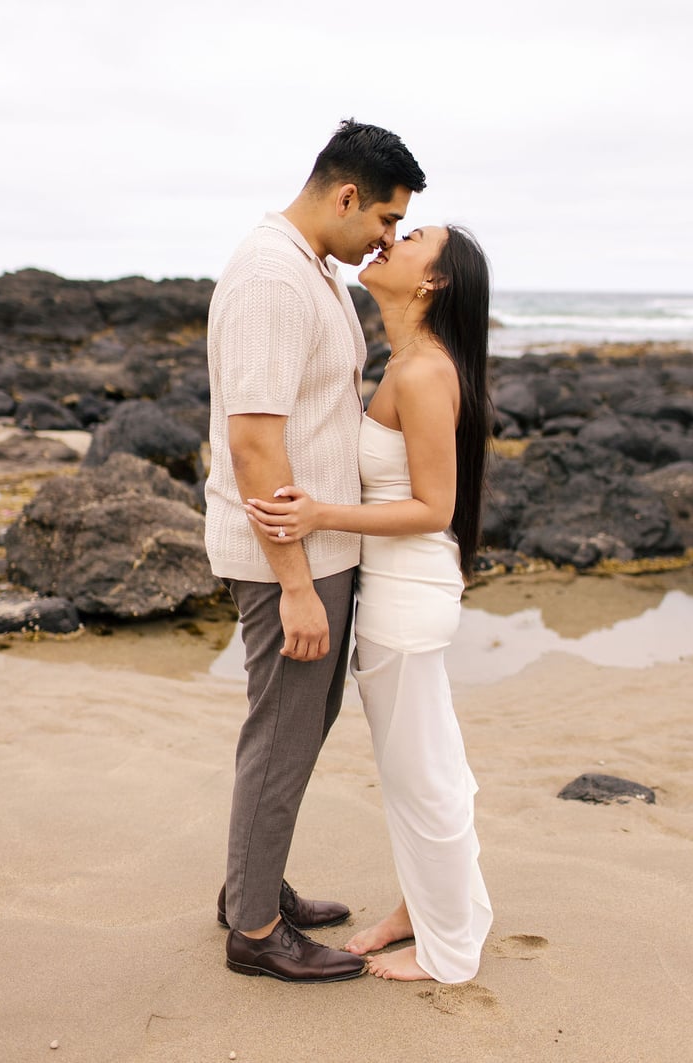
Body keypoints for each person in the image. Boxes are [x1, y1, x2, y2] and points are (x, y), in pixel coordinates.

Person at [204, 119, 426, 983]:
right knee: (285, 733)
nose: (389, 239)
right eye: (384, 220)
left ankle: (249, 884)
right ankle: (256, 931)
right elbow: (256, 442)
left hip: (313, 549)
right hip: (285, 559)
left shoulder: (309, 269)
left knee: (294, 724)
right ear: (345, 196)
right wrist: (295, 584)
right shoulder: (270, 277)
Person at [245, 223, 494, 983]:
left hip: (408, 593)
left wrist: (320, 514)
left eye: (412, 237)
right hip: (399, 589)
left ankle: (450, 948)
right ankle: (419, 909)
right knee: (423, 762)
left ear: (433, 281)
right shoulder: (406, 361)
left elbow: (432, 506)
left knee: (423, 775)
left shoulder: (423, 373)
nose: (392, 239)